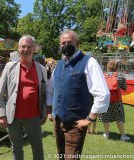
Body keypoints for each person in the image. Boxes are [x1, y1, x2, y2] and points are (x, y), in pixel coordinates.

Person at [46, 30, 110, 160]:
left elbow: (103, 93)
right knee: (61, 156)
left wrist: (90, 119)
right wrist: (50, 109)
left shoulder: (89, 62)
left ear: (77, 44)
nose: (66, 45)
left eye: (69, 42)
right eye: (63, 43)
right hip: (58, 120)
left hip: (76, 122)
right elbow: (51, 90)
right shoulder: (58, 65)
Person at [0, 35, 47, 160]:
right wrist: (1, 114)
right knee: (16, 149)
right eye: (23, 46)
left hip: (34, 116)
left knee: (38, 148)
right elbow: (0, 91)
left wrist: (44, 113)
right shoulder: (10, 67)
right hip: (13, 117)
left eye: (29, 46)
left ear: (34, 49)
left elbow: (44, 94)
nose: (26, 49)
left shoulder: (41, 69)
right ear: (18, 49)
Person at [99, 60, 130, 141]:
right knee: (119, 117)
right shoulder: (120, 75)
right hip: (117, 100)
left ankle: (106, 134)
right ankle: (123, 136)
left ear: (108, 66)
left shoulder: (103, 75)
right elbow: (124, 88)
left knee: (106, 116)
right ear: (116, 67)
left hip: (106, 99)